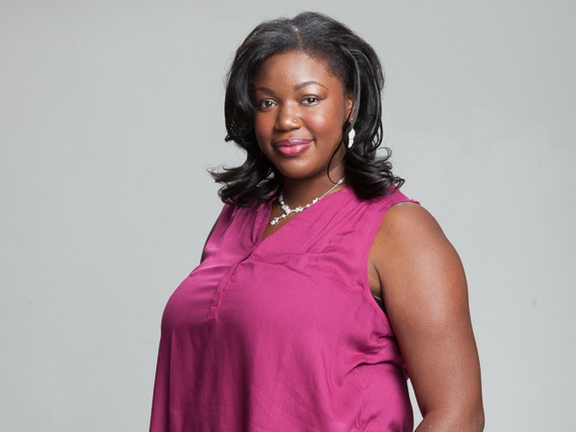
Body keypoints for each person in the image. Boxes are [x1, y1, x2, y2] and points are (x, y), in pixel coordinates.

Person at [150, 11, 484, 432]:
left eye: (309, 99)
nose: (286, 120)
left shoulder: (399, 230)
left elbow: (459, 415)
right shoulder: (236, 216)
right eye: (267, 102)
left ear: (350, 103)